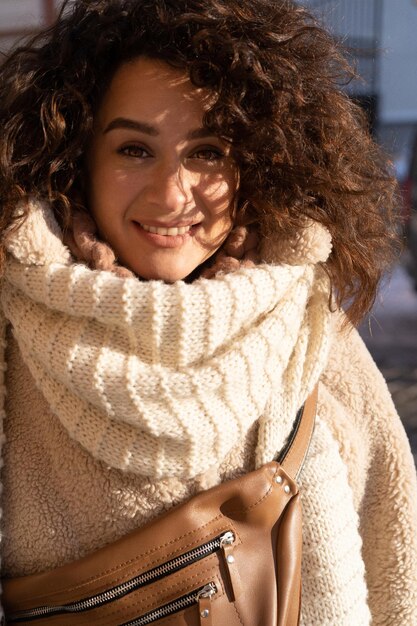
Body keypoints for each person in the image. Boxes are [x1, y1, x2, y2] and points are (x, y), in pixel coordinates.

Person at [0, 0, 416, 624]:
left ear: (260, 165)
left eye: (208, 152)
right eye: (134, 149)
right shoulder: (12, 329)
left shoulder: (308, 324)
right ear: (75, 158)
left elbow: (393, 554)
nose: (171, 194)